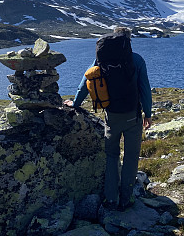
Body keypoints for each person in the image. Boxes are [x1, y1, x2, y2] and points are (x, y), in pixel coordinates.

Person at [64, 27, 152, 211]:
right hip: (132, 117)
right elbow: (145, 89)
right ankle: (126, 199)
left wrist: (75, 104)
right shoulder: (137, 60)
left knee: (112, 156)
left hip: (111, 116)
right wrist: (148, 114)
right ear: (128, 41)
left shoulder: (102, 58)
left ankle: (111, 199)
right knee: (130, 157)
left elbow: (85, 83)